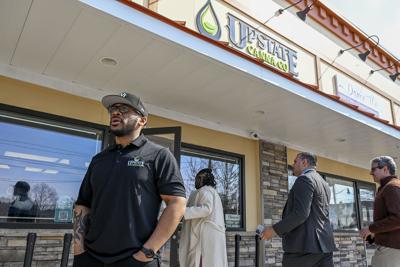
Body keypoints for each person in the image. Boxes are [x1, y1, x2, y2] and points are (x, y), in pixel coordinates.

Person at [73, 92, 187, 267]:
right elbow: (83, 204)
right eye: (113, 109)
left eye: (124, 109)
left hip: (135, 260)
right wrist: (78, 250)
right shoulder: (99, 160)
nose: (116, 113)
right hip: (91, 258)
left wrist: (146, 253)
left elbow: (176, 203)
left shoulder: (159, 155)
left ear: (142, 120)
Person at [260, 152, 336, 267]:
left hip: (304, 248)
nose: (292, 164)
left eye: (295, 161)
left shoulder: (304, 179)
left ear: (304, 163)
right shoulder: (324, 184)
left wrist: (273, 230)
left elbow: (300, 214)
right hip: (324, 247)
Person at [179, 168, 228, 267]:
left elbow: (206, 209)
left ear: (203, 179)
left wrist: (182, 211)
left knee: (202, 261)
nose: (196, 181)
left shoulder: (205, 191)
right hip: (210, 237)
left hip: (204, 237)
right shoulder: (212, 192)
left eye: (198, 178)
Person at [359, 156, 400, 267]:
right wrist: (374, 234)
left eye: (373, 169)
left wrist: (370, 229)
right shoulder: (389, 187)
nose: (370, 173)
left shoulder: (391, 187)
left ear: (385, 169)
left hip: (391, 248)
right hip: (391, 248)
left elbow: (397, 219)